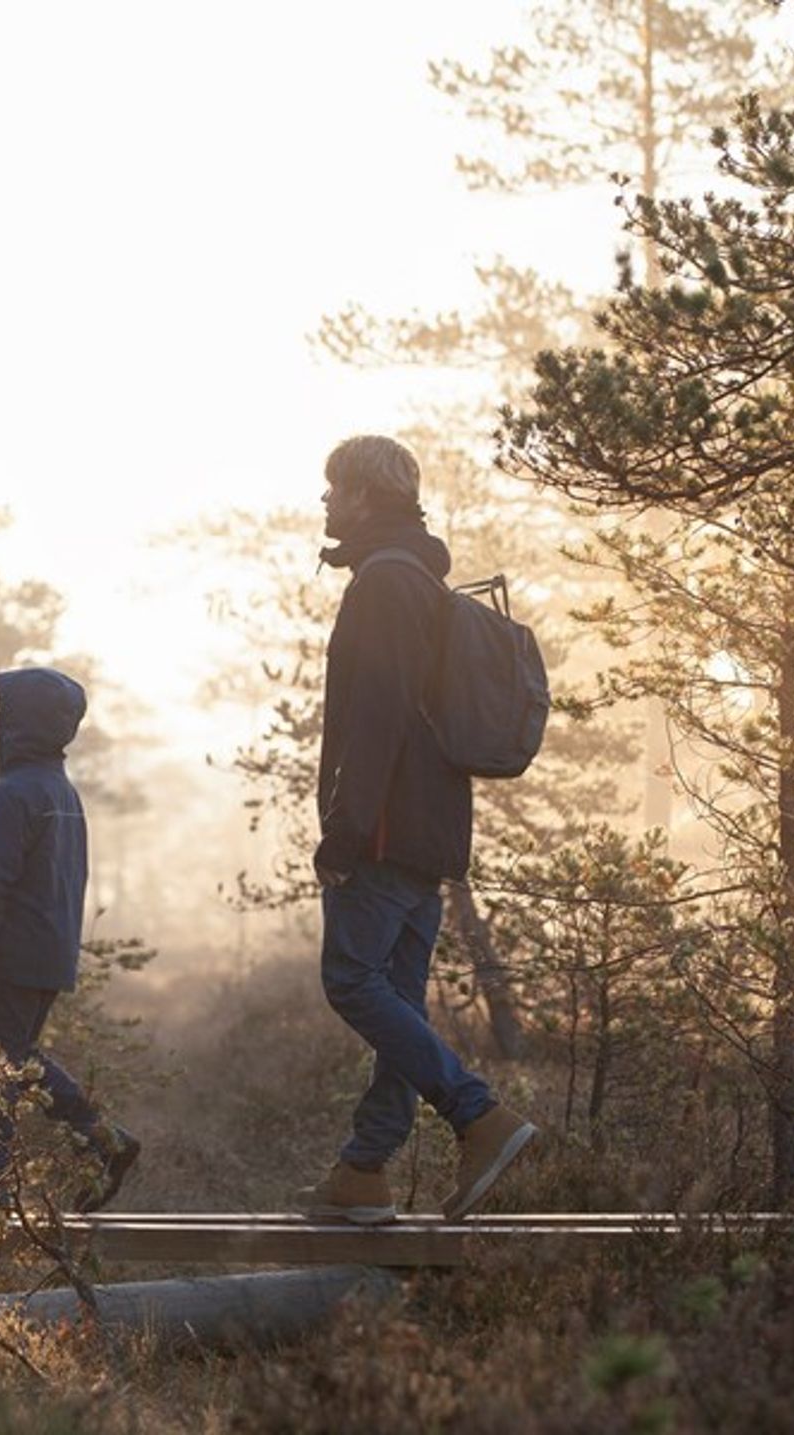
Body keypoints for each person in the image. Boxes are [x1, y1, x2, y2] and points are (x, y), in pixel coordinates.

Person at [299, 434, 539, 1225]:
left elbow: (379, 713)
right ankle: (365, 1169)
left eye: (334, 488)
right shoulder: (416, 581)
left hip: (385, 832)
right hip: (431, 832)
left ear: (365, 495)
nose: (326, 502)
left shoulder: (386, 583)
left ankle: (477, 1115)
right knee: (395, 994)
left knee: (352, 981)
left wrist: (345, 827)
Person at [0, 666, 140, 1212]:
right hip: (48, 954)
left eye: (6, 713)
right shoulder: (60, 791)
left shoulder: (16, 793)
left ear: (23, 722)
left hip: (16, 955)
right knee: (14, 1059)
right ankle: (99, 1144)